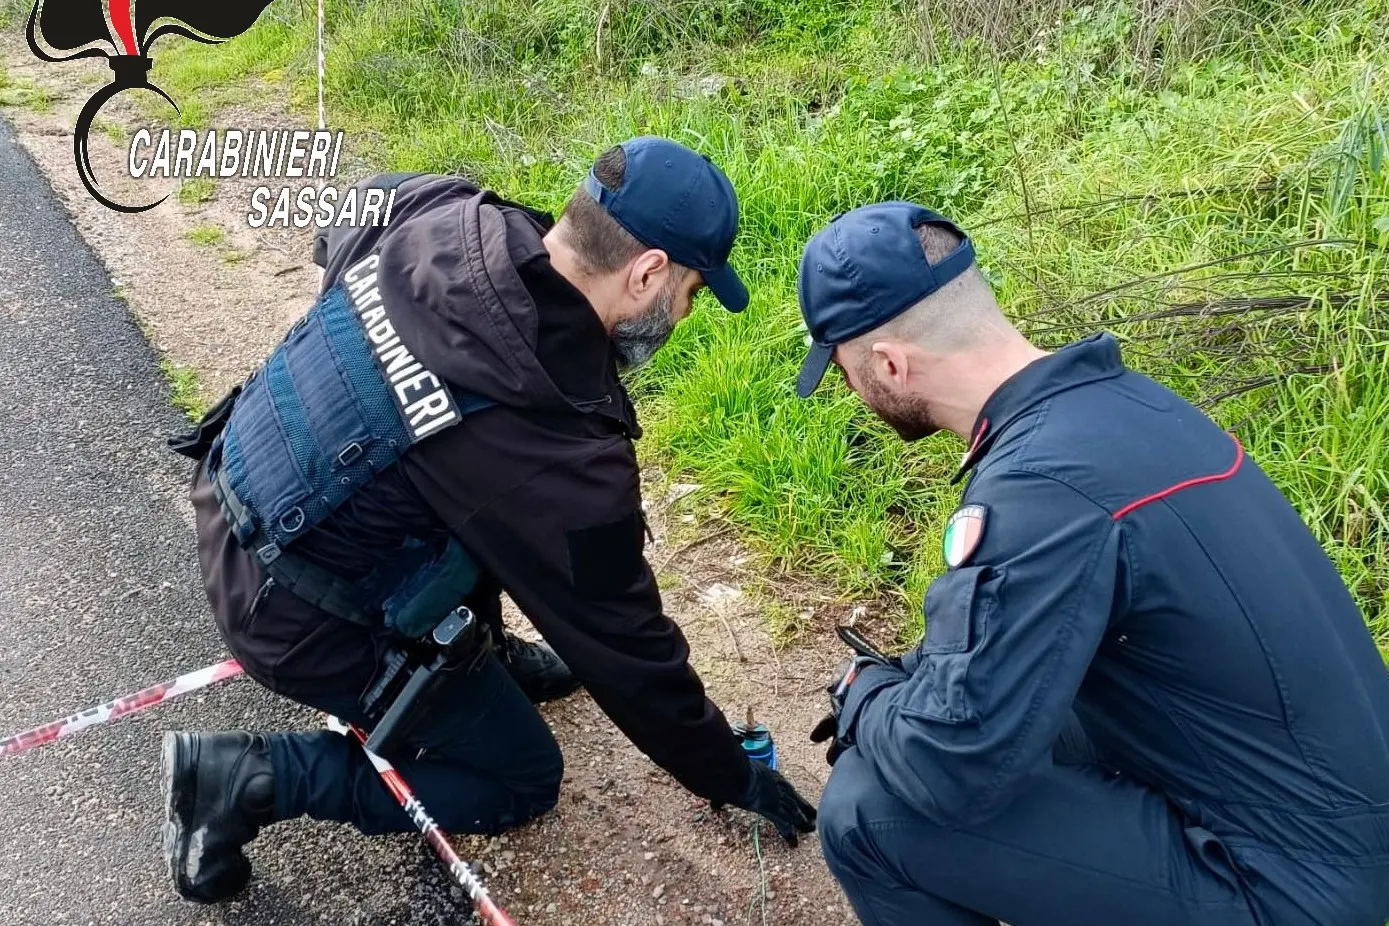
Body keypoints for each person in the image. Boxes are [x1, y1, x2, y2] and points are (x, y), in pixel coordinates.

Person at [161, 136, 815, 904]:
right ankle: (249, 778)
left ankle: (489, 657)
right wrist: (725, 771)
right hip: (296, 618)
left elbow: (337, 224)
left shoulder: (435, 206)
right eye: (690, 293)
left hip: (238, 484)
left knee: (457, 487)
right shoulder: (558, 447)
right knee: (521, 778)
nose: (681, 312)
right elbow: (623, 645)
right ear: (646, 274)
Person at [795, 201, 1389, 926]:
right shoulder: (1125, 407)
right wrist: (910, 682)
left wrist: (863, 695)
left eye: (848, 375)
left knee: (866, 810)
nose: (854, 395)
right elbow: (1013, 649)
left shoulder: (1038, 485)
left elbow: (946, 766)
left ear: (888, 363)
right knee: (1005, 716)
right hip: (1337, 827)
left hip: (1285, 888)